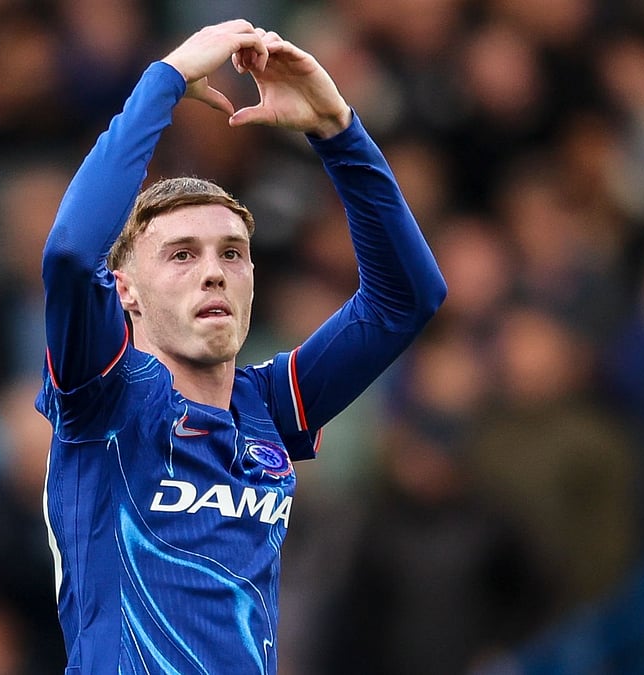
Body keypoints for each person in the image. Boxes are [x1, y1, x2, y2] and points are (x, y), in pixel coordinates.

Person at [36, 20, 446, 673]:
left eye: (233, 252)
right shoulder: (103, 398)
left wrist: (337, 131)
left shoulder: (270, 408)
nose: (213, 270)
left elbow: (406, 299)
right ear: (127, 292)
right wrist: (165, 80)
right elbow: (68, 253)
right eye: (180, 254)